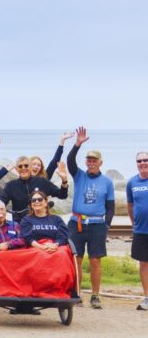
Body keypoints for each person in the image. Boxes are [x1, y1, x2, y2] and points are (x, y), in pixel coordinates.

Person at [66, 127, 114, 309]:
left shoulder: (107, 182)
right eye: (89, 160)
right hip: (76, 222)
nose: (91, 163)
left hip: (96, 225)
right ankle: (77, 293)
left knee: (95, 260)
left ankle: (95, 295)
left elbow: (110, 207)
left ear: (100, 162)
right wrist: (77, 144)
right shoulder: (79, 175)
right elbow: (70, 161)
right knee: (76, 259)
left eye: (94, 160)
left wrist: (106, 225)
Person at [0, 156, 69, 222]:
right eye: (20, 166)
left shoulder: (42, 181)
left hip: (42, 222)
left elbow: (62, 195)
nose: (23, 168)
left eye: (26, 165)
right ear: (17, 169)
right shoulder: (11, 185)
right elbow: (1, 201)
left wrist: (64, 180)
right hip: (20, 225)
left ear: (31, 167)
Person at [126, 151, 148, 311]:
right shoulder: (132, 182)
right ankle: (147, 297)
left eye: (146, 160)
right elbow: (130, 206)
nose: (142, 163)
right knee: (144, 264)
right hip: (141, 231)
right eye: (139, 161)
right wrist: (135, 224)